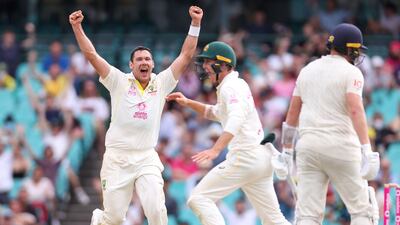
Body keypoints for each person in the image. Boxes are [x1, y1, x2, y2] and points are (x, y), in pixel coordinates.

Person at [69, 6, 203, 225]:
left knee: (157, 212)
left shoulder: (161, 83)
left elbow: (186, 55)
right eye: (139, 59)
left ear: (153, 64)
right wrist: (77, 27)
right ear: (131, 65)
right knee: (113, 218)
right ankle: (98, 218)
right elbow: (92, 56)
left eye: (148, 59)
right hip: (117, 158)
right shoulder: (118, 81)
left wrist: (195, 23)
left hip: (146, 157)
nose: (144, 62)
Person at [166, 41, 291, 225]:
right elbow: (215, 113)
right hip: (261, 158)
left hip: (246, 158)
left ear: (224, 65)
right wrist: (188, 102)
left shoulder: (230, 87)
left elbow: (235, 119)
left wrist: (215, 150)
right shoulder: (234, 85)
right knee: (273, 220)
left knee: (198, 199)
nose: (205, 67)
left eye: (209, 62)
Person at [273, 23, 380, 225]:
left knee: (308, 216)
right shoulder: (351, 72)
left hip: (308, 149)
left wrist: (287, 151)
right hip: (341, 146)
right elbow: (355, 109)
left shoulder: (307, 70)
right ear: (349, 49)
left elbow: (292, 113)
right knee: (362, 211)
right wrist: (367, 148)